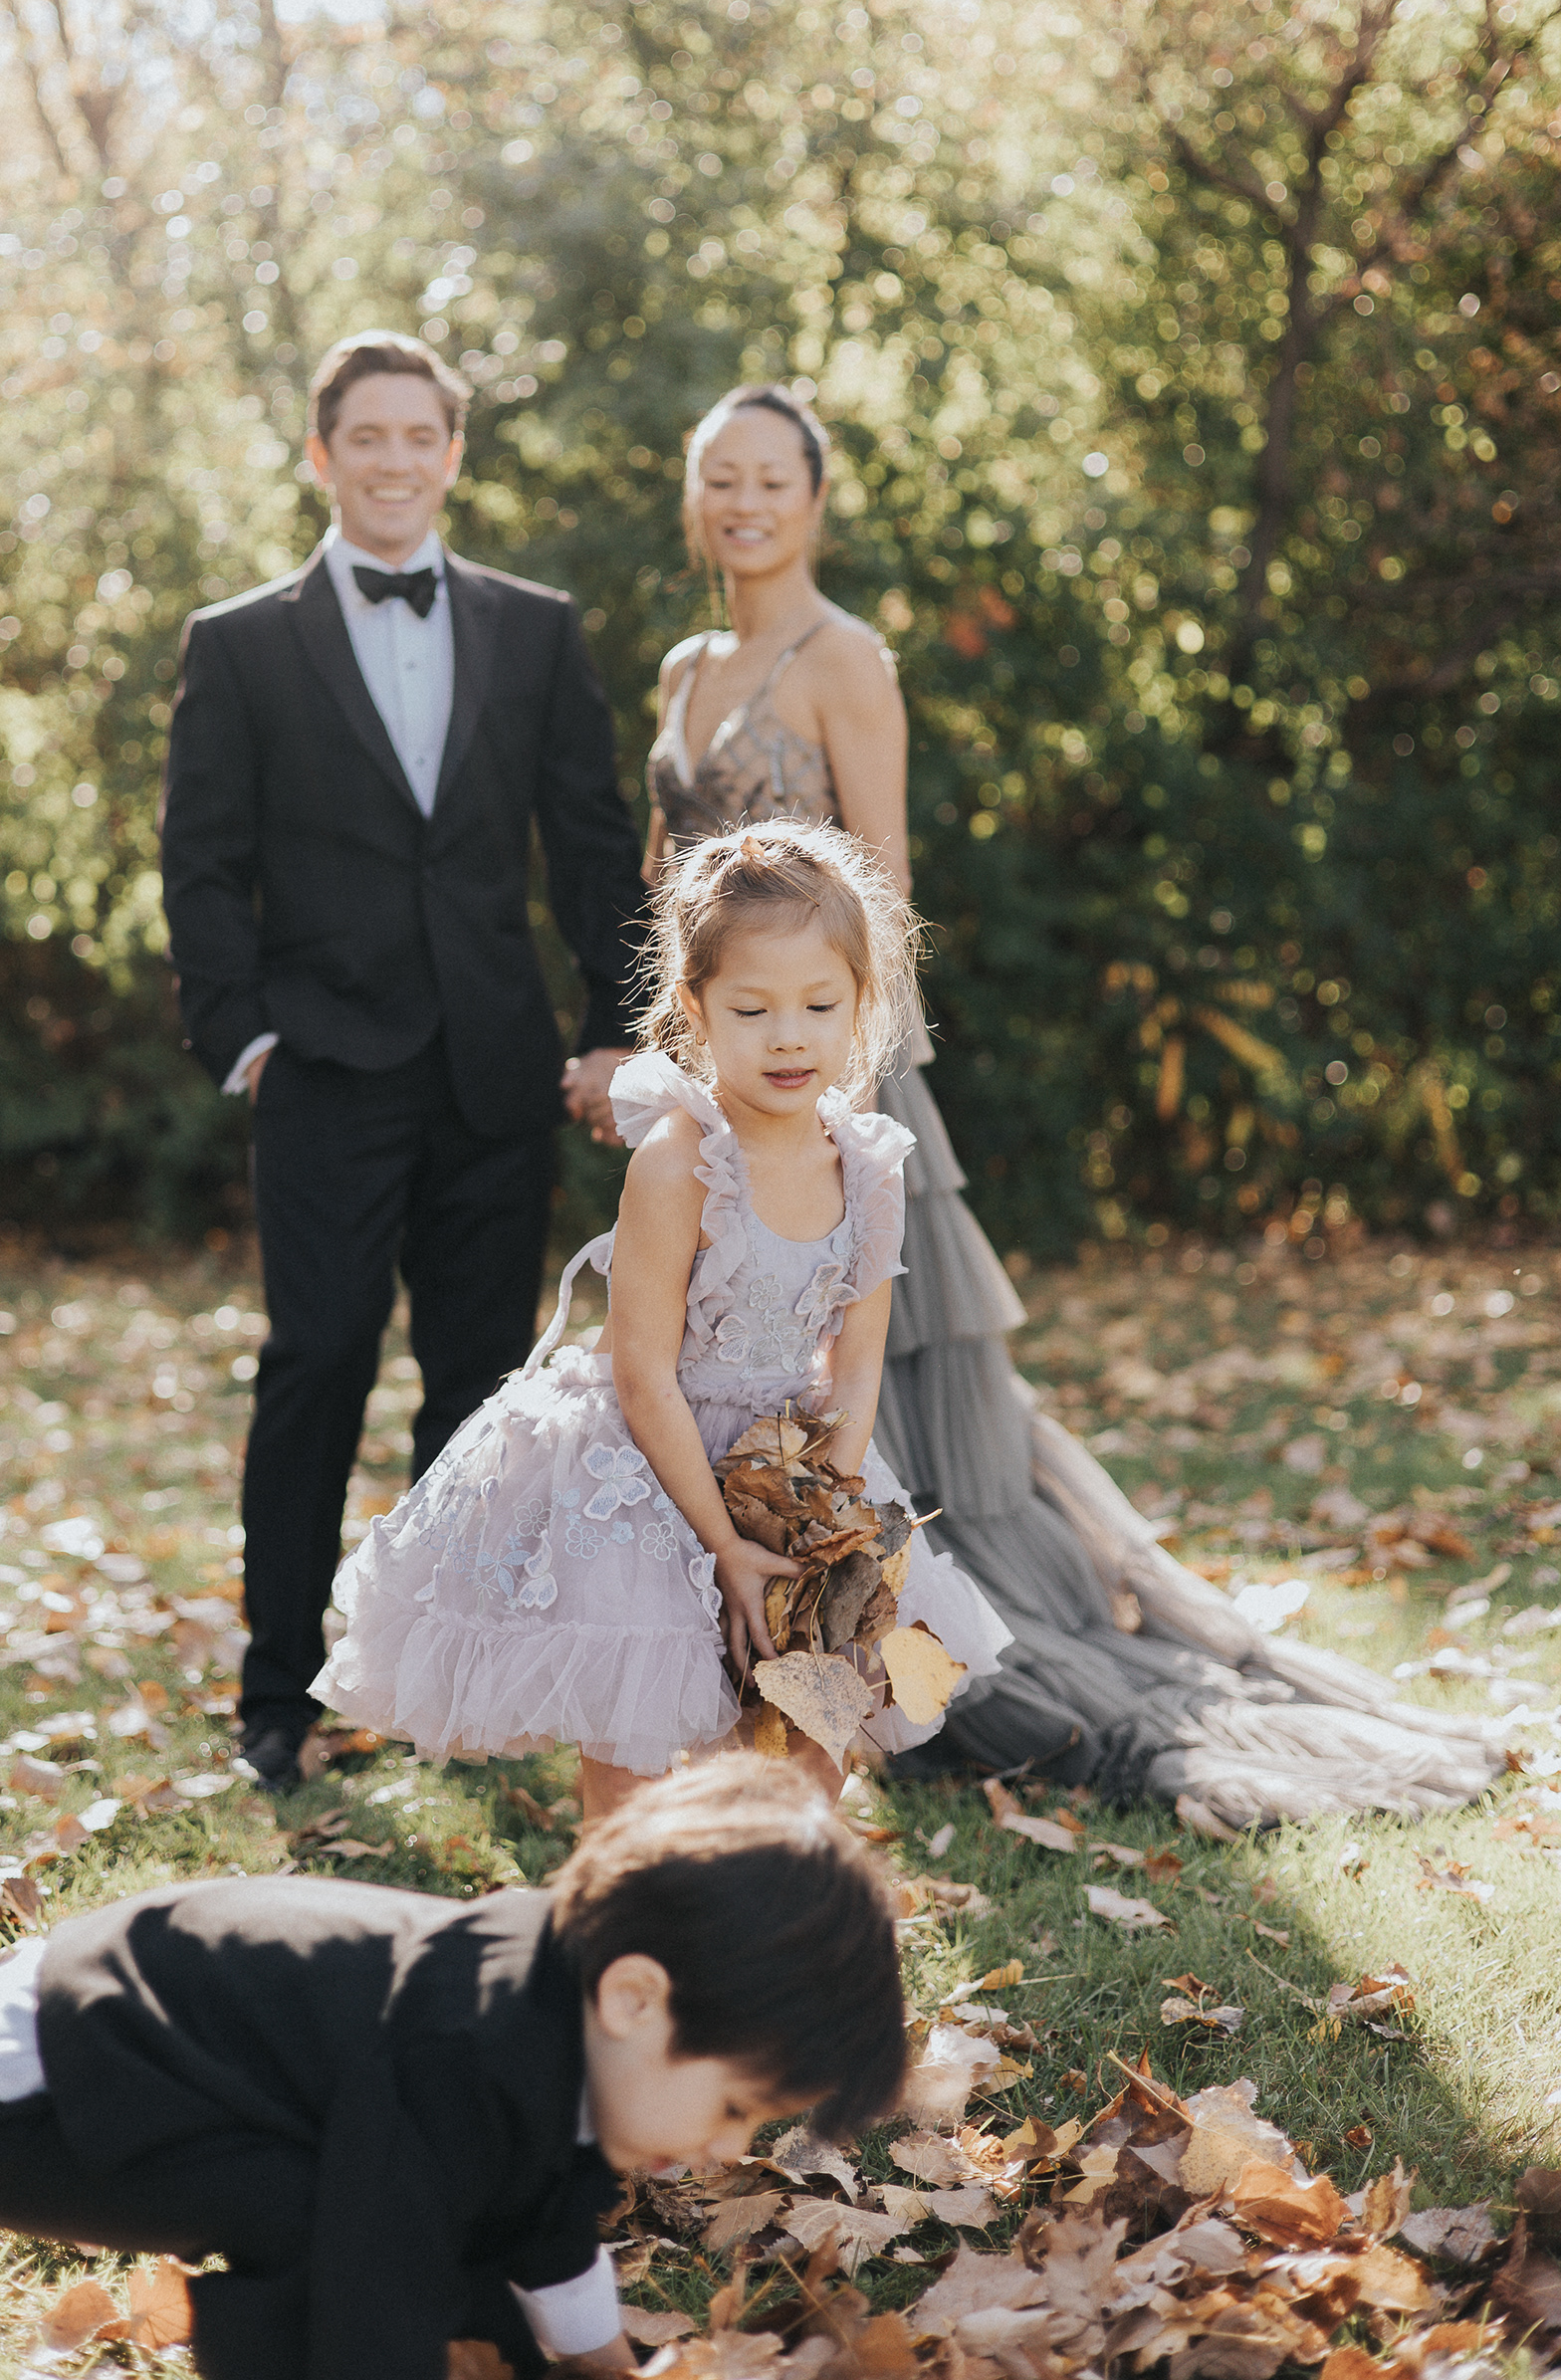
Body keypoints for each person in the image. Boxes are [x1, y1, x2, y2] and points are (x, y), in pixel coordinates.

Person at [638, 380, 1504, 1831]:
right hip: (707, 1073)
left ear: (816, 496)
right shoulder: (680, 669)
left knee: (873, 1374)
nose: (745, 501)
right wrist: (651, 1063)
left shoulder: (843, 659)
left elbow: (881, 891)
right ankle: (748, 1654)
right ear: (692, 494)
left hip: (831, 1070)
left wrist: (838, 1096)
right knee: (720, 1358)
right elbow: (661, 885)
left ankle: (899, 1652)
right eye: (719, 476)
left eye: (772, 477)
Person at [157, 332, 646, 1792]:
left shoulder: (533, 629)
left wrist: (611, 1026)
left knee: (480, 1392)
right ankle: (275, 1696)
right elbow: (201, 859)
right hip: (321, 1064)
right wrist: (245, 1037)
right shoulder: (241, 643)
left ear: (452, 453)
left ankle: (453, 1692)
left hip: (494, 1068)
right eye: (364, 436)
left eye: (417, 435)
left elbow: (592, 839)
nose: (392, 460)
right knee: (315, 1364)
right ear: (323, 455)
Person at [313, 816, 1011, 1824]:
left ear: (862, 1002)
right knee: (635, 1745)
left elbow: (856, 1363)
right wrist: (724, 1545)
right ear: (695, 1006)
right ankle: (623, 1901)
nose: (789, 1035)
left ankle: (766, 1901)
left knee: (810, 1731)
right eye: (752, 1009)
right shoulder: (681, 1160)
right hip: (648, 1469)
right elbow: (641, 1371)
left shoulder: (869, 1168)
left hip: (793, 1463)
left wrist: (815, 1520)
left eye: (821, 1005)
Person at [0, 1756, 906, 2380]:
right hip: (39, 2101)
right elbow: (377, 2281)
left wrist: (604, 2365)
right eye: (733, 2106)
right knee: (346, 2219)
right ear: (635, 1999)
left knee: (457, 2205)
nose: (728, 2147)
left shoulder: (566, 2010)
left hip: (142, 2042)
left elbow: (547, 2206)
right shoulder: (469, 2050)